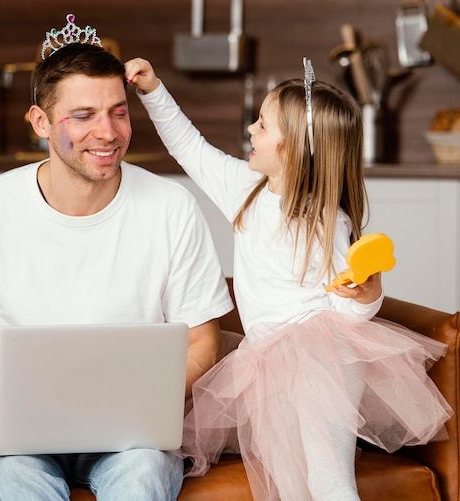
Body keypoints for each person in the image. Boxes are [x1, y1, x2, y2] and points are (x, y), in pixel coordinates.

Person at [0, 15, 234, 501]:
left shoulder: (172, 207)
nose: (107, 132)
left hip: (130, 433)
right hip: (7, 425)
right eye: (82, 116)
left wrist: (134, 403)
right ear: (40, 122)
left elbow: (201, 341)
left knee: (141, 478)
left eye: (118, 112)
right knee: (21, 484)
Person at [125, 57, 452, 501]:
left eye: (262, 125)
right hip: (264, 364)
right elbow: (189, 146)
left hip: (321, 359)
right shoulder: (245, 189)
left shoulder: (326, 221)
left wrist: (367, 294)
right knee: (289, 480)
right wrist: (152, 90)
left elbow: (348, 311)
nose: (251, 130)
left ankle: (337, 446)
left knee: (328, 480)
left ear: (294, 147)